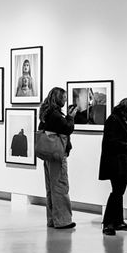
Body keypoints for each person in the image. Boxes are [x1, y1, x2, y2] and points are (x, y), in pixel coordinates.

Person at [38, 86, 76, 230]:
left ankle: (53, 219)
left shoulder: (46, 113)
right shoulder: (55, 114)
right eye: (64, 97)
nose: (66, 100)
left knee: (51, 188)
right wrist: (71, 117)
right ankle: (63, 221)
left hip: (48, 154)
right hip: (57, 155)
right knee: (60, 186)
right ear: (58, 98)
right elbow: (67, 128)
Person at [99, 98, 127, 235]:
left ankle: (117, 221)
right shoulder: (114, 119)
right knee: (117, 192)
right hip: (116, 163)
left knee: (119, 192)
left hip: (121, 162)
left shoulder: (121, 119)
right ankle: (108, 223)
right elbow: (111, 142)